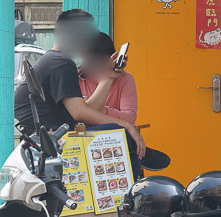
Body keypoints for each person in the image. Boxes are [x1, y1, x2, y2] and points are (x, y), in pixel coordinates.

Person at [13, 9, 146, 165]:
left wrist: (108, 77)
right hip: (47, 143)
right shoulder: (61, 64)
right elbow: (80, 113)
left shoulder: (54, 60)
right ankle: (145, 158)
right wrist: (126, 125)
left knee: (115, 133)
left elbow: (86, 110)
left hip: (48, 140)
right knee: (120, 134)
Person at [79, 33, 139, 124]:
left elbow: (130, 117)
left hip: (112, 135)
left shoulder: (125, 79)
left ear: (111, 59)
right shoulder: (78, 77)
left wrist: (102, 111)